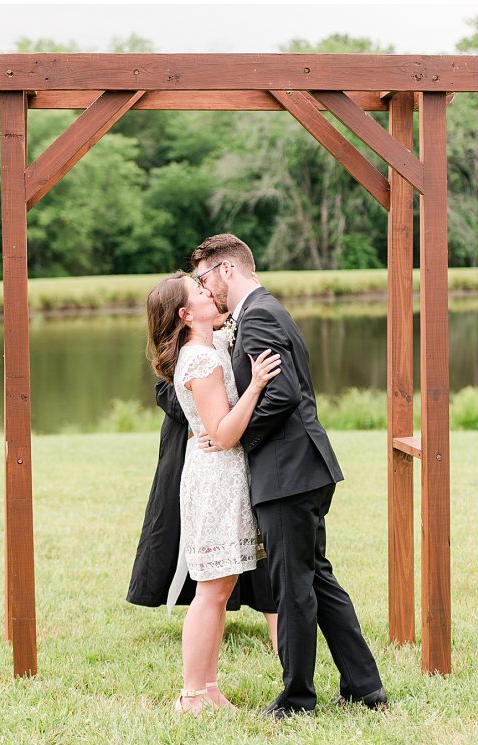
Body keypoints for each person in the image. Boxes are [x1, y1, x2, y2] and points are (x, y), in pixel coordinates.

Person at [190, 233, 386, 719]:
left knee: (293, 586)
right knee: (316, 578)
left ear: (226, 270)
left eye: (204, 277)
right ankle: (365, 686)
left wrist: (231, 435)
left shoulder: (258, 316)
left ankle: (297, 698)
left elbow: (282, 395)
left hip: (289, 471)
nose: (204, 287)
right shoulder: (261, 313)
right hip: (300, 468)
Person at [146, 272, 282, 712]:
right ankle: (191, 693)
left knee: (221, 588)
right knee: (211, 589)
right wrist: (257, 385)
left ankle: (209, 687)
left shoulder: (213, 345)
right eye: (200, 291)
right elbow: (223, 434)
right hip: (216, 481)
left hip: (224, 473)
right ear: (186, 314)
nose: (210, 291)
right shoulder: (198, 360)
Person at [125, 375, 279, 655]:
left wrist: (229, 421)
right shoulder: (181, 342)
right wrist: (208, 417)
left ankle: (277, 624)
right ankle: (206, 627)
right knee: (201, 539)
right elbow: (165, 390)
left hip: (244, 438)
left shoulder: (242, 331)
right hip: (194, 443)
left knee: (260, 535)